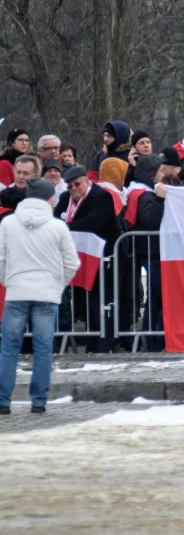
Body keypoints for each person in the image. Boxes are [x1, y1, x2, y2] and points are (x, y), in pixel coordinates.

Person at [0, 178, 80, 415]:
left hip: (16, 292)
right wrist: (58, 285)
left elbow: (1, 258)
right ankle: (38, 401)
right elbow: (72, 262)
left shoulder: (8, 224)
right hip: (47, 294)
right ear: (48, 198)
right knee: (43, 348)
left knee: (8, 348)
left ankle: (3, 401)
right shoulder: (57, 226)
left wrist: (8, 281)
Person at [56, 165, 120, 351]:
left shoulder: (101, 196)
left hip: (104, 258)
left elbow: (94, 222)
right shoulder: (65, 198)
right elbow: (56, 217)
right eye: (70, 186)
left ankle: (103, 345)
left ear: (86, 181)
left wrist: (65, 227)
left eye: (77, 184)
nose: (74, 189)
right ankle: (92, 342)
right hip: (81, 258)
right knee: (85, 304)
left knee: (101, 302)